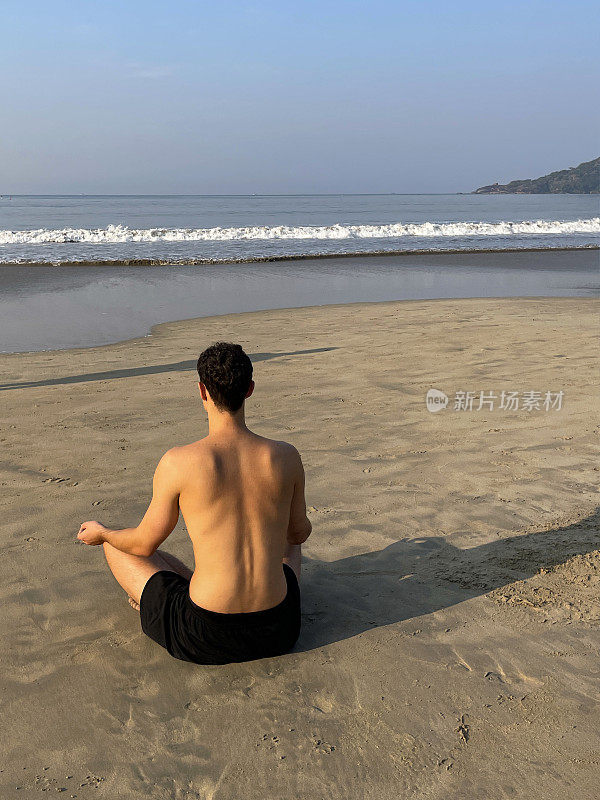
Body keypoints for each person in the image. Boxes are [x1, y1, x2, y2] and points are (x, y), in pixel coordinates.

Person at [77, 342, 311, 665]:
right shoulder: (286, 456)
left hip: (205, 634)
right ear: (250, 390)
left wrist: (102, 533)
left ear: (202, 391)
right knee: (287, 538)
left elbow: (144, 544)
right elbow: (298, 535)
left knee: (117, 545)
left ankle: (185, 583)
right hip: (278, 630)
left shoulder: (179, 462)